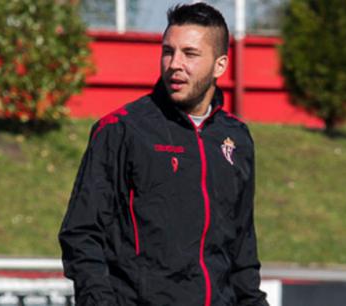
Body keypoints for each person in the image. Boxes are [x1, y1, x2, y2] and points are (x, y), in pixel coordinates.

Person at [59, 3, 268, 305]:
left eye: (190, 54)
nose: (174, 64)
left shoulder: (236, 138)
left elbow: (242, 249)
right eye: (168, 51)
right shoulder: (122, 129)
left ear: (220, 65)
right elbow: (82, 234)